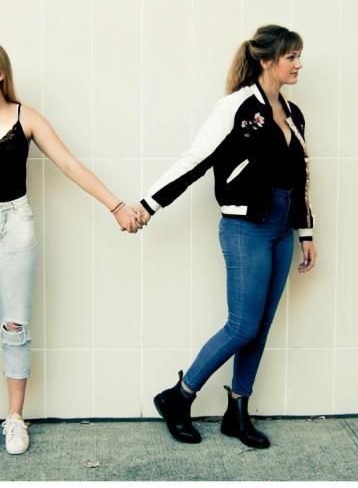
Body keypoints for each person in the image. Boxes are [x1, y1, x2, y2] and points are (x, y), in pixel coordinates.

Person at [0, 41, 142, 457]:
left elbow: (69, 164)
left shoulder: (25, 118)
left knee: (16, 328)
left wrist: (116, 206)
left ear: (0, 73)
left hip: (17, 227)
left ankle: (15, 418)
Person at [133, 24, 317, 449]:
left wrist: (306, 231)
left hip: (282, 229)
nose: (298, 64)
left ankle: (237, 412)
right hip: (244, 227)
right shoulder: (235, 107)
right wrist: (148, 205)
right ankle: (179, 397)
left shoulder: (294, 114)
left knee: (260, 327)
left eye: (298, 56)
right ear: (266, 61)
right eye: (291, 57)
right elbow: (194, 160)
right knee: (241, 326)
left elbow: (302, 175)